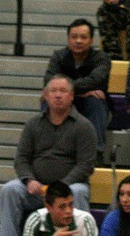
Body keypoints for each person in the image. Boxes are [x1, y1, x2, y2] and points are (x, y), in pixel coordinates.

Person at [0, 75, 97, 236]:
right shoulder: (33, 124)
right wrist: (29, 180)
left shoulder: (84, 126)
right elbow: (21, 159)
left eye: (63, 91)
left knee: (78, 191)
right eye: (53, 91)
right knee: (10, 190)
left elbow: (85, 165)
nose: (58, 95)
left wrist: (59, 187)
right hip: (37, 190)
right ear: (45, 95)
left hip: (69, 189)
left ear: (71, 96)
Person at [44, 17, 111, 161]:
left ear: (91, 40)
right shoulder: (59, 56)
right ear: (68, 39)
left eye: (83, 37)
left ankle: (95, 153)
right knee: (48, 99)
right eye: (74, 37)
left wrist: (64, 89)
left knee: (95, 100)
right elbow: (49, 81)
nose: (78, 41)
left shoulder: (102, 58)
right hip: (67, 104)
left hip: (91, 106)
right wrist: (78, 93)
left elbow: (95, 80)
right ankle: (46, 150)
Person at [22, 180, 98, 236]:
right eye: (62, 207)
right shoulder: (36, 219)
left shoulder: (85, 220)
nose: (68, 211)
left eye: (71, 204)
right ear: (48, 207)